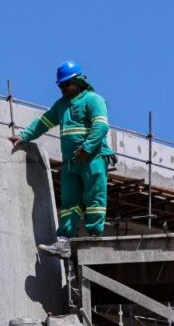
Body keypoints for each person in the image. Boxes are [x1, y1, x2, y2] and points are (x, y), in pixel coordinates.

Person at [11, 60, 112, 259]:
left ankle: (94, 236)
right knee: (69, 201)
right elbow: (43, 122)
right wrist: (24, 136)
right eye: (61, 85)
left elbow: (100, 127)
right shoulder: (61, 106)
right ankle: (64, 241)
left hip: (92, 158)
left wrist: (87, 148)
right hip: (71, 162)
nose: (63, 88)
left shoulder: (93, 100)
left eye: (67, 84)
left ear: (79, 81)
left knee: (94, 196)